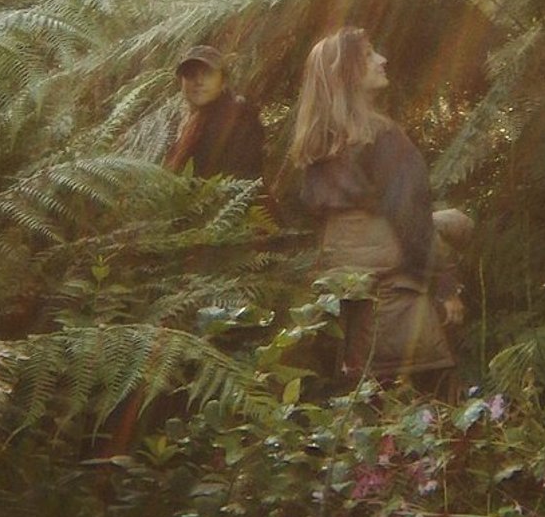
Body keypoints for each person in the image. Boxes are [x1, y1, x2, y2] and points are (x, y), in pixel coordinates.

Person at [288, 25, 454, 390]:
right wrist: (446, 288)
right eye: (367, 55)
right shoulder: (384, 140)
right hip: (397, 307)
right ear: (346, 74)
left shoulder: (318, 149)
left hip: (344, 309)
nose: (382, 60)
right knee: (420, 424)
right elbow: (412, 224)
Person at [165, 42, 266, 183]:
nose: (199, 81)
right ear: (181, 82)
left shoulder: (239, 118)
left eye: (208, 74)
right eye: (191, 74)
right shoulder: (179, 121)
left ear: (223, 81)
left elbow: (240, 179)